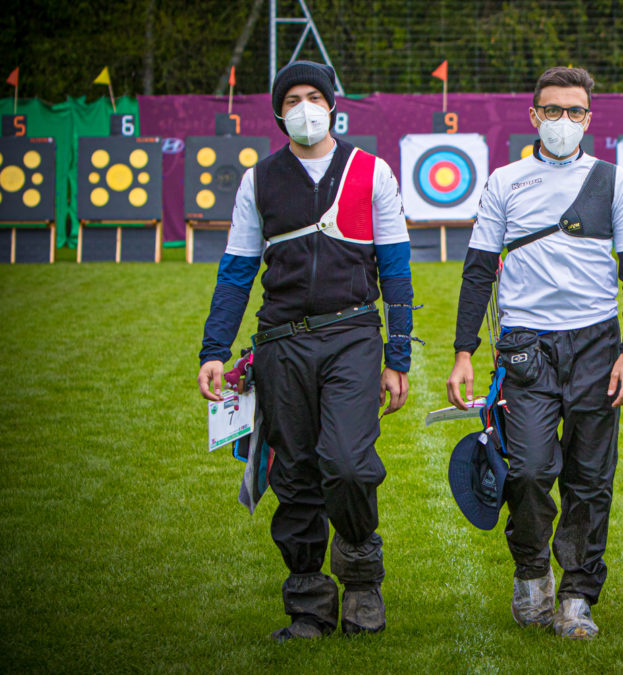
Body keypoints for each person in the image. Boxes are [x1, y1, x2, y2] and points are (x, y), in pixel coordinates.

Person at [196, 60, 415, 641]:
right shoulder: (259, 179)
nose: (303, 107)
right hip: (279, 344)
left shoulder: (372, 172)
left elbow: (395, 271)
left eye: (313, 96)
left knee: (345, 464)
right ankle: (309, 606)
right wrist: (214, 348)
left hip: (352, 338)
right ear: (277, 112)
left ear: (333, 104)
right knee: (293, 477)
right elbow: (237, 270)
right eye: (291, 99)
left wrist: (398, 358)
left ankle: (363, 580)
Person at [446, 66, 623, 639]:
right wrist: (465, 351)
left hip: (596, 346)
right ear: (533, 116)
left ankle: (578, 595)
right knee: (530, 470)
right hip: (525, 349)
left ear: (590, 117)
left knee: (590, 479)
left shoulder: (614, 180)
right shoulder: (505, 180)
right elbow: (479, 268)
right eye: (552, 111)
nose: (564, 121)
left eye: (575, 112)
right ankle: (533, 572)